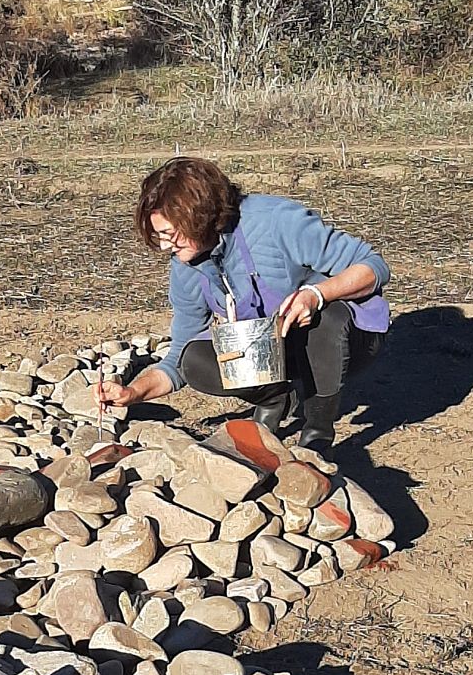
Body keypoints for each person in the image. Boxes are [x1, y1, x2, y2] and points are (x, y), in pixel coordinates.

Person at [95, 157, 391, 456]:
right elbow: (179, 354)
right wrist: (132, 392)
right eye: (158, 236)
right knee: (194, 358)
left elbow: (373, 267)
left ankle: (317, 435)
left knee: (326, 318)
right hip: (279, 349)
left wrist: (316, 294)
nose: (163, 246)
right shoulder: (185, 265)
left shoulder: (276, 222)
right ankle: (275, 398)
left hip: (351, 341)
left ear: (198, 216)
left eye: (169, 234)